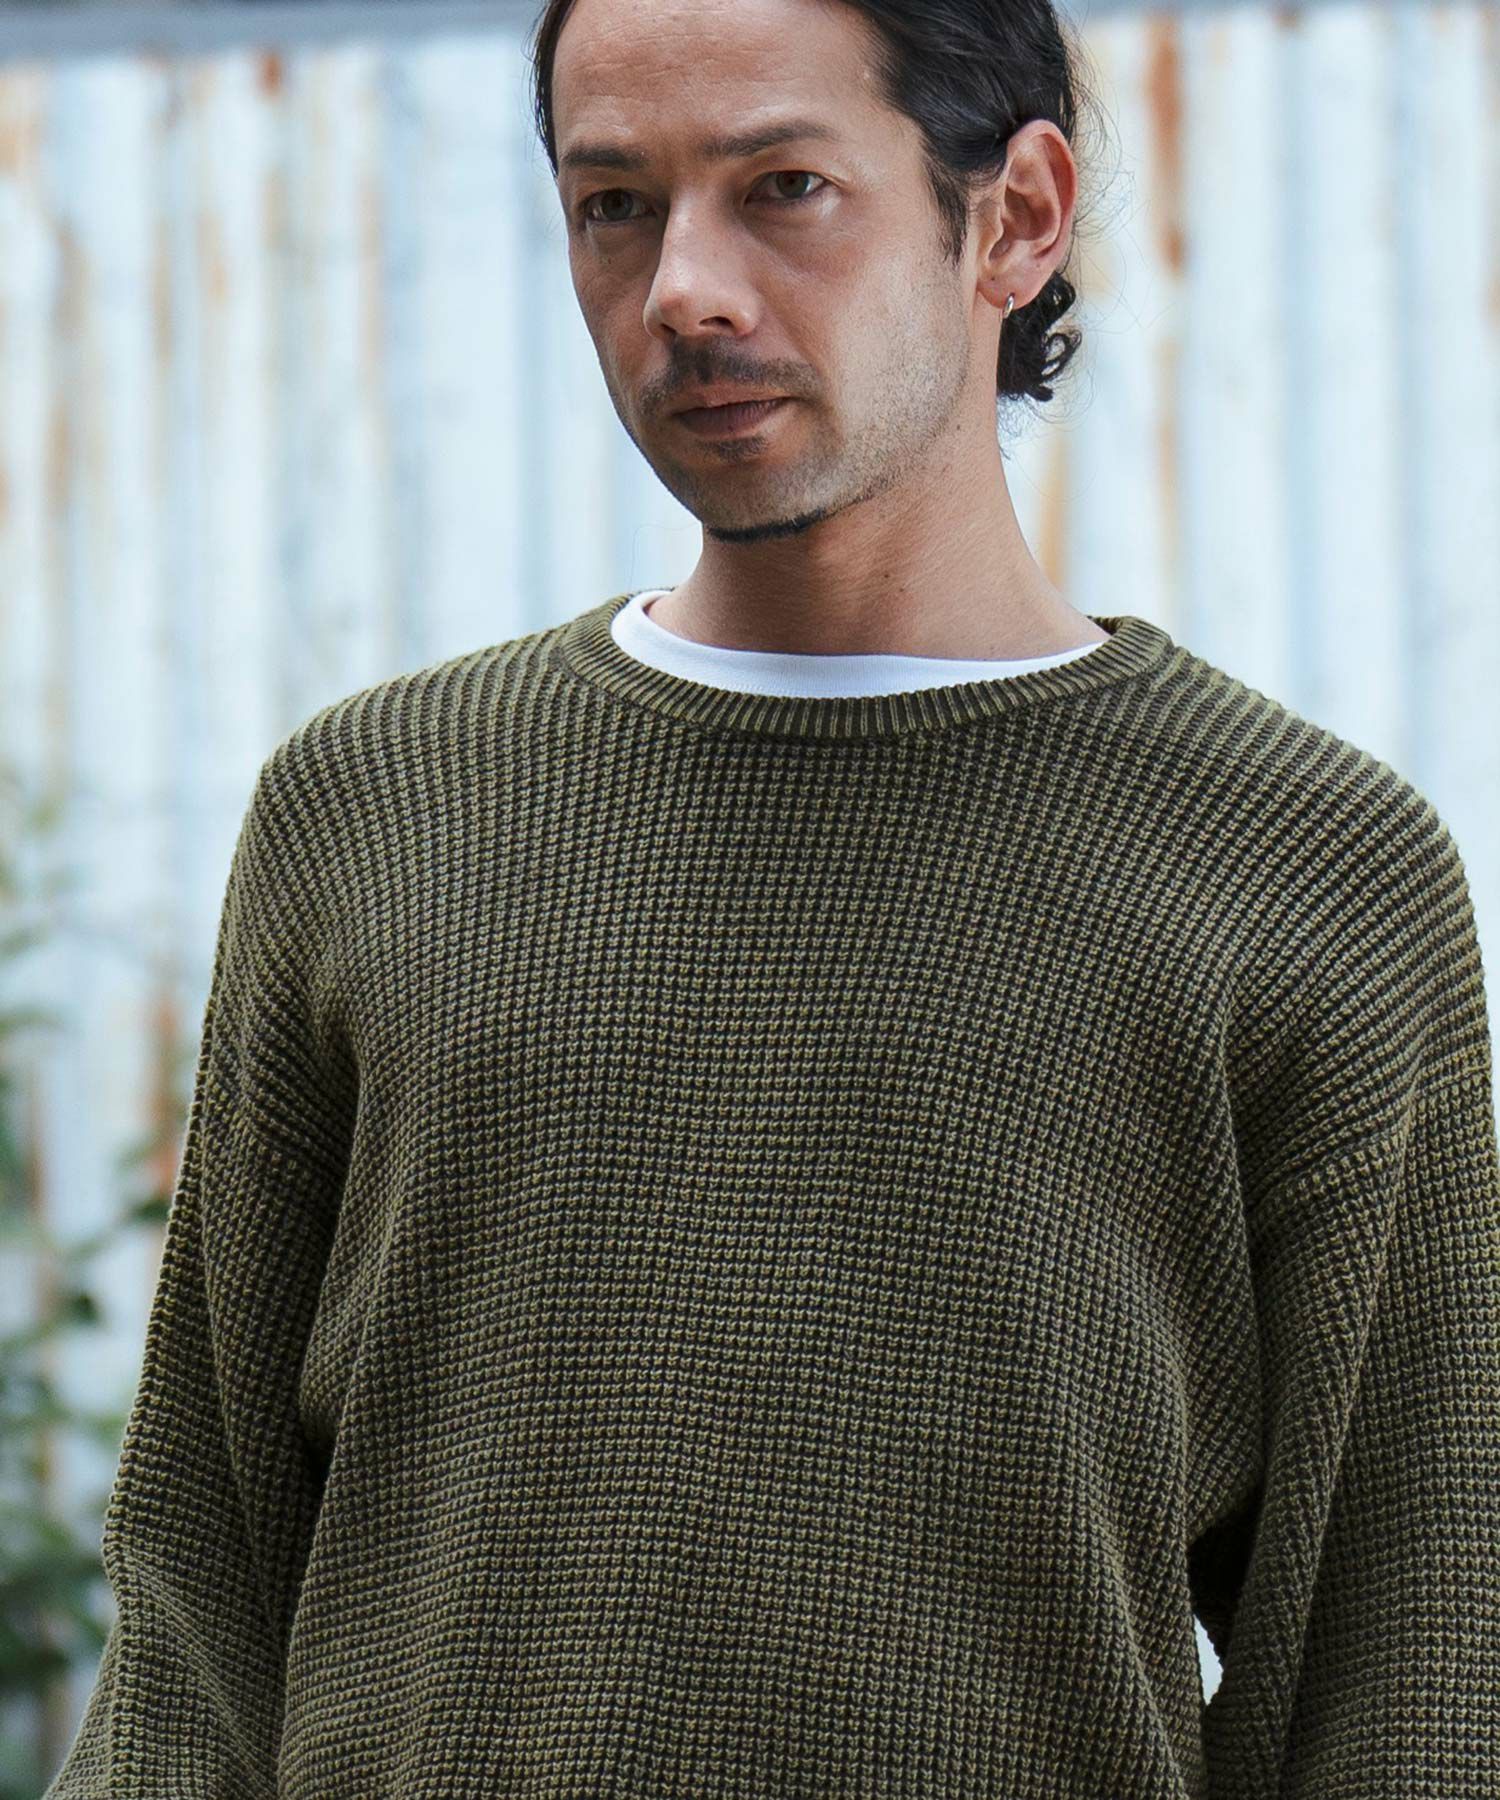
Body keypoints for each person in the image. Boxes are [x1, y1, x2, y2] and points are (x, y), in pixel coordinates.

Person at [46, 0, 1498, 1795]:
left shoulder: (1307, 869)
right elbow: (196, 1596)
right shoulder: (378, 811)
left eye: (783, 187)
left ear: (1018, 217)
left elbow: (1407, 1658)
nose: (684, 291)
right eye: (615, 205)